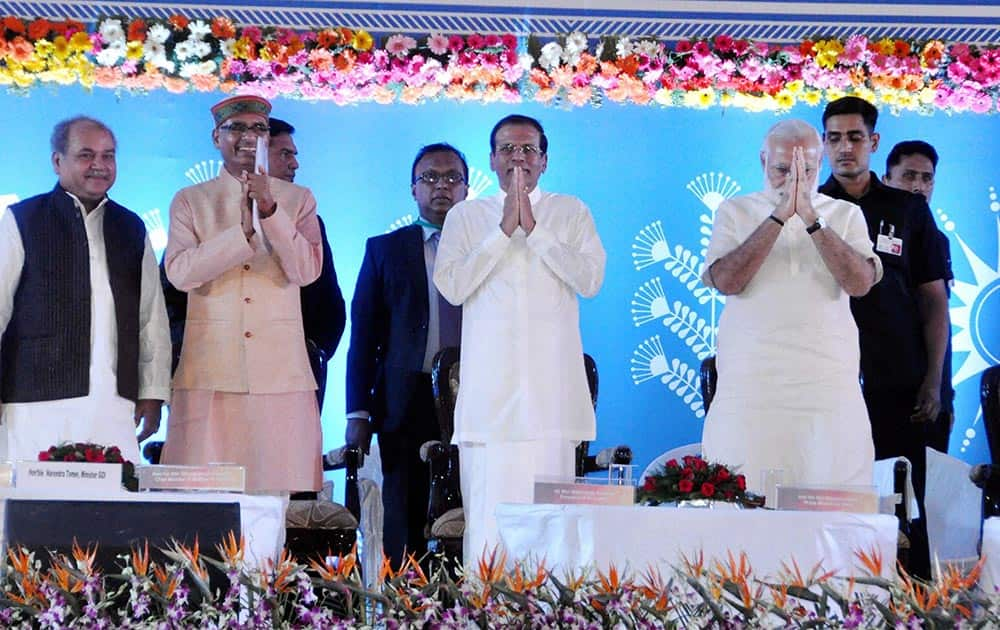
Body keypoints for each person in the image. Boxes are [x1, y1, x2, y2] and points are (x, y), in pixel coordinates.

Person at [433, 115, 606, 563]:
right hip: (490, 407)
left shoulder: (571, 211)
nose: (518, 158)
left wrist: (536, 231)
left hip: (552, 401)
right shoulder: (466, 216)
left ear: (545, 160)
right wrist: (502, 232)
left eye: (528, 149)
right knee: (489, 536)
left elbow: (590, 280)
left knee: (551, 535)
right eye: (507, 149)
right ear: (491, 159)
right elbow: (452, 286)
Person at [701, 119, 881, 494]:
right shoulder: (735, 211)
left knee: (833, 504)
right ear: (762, 160)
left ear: (822, 165)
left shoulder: (845, 215)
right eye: (782, 169)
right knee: (743, 505)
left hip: (827, 387)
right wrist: (779, 216)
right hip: (752, 386)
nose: (794, 179)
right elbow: (728, 281)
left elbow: (859, 283)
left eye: (807, 170)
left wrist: (813, 219)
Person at [161, 95, 324, 494]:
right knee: (202, 504)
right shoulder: (190, 200)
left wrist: (269, 209)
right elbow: (180, 273)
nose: (249, 137)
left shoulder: (298, 200)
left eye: (259, 129)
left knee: (270, 502)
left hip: (278, 374)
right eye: (237, 128)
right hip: (210, 369)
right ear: (217, 137)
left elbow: (305, 270)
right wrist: (241, 238)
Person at [818, 97, 950, 579]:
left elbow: (934, 301)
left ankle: (913, 606)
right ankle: (834, 597)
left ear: (873, 143)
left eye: (854, 137)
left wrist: (933, 381)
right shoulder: (812, 206)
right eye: (834, 138)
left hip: (900, 380)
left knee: (906, 504)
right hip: (829, 380)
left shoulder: (908, 210)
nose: (844, 148)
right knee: (831, 496)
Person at [0, 116, 171, 464]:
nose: (99, 165)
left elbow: (150, 317)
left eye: (108, 156)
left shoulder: (130, 226)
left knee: (111, 510)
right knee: (32, 508)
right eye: (86, 155)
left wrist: (152, 393)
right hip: (33, 399)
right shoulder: (22, 219)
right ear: (57, 161)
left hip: (113, 402)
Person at [161, 118, 346, 415]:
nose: (295, 164)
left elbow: (325, 297)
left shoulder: (302, 207)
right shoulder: (192, 202)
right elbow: (174, 288)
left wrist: (311, 349)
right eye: (285, 154)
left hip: (285, 373)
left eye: (295, 155)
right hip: (209, 369)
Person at [344, 143, 469, 565]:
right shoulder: (385, 250)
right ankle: (405, 606)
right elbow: (364, 336)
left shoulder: (487, 248)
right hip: (406, 399)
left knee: (471, 504)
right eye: (430, 178)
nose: (441, 187)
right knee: (405, 509)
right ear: (412, 190)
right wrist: (357, 413)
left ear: (468, 188)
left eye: (452, 178)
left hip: (476, 397)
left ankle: (465, 603)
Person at [883, 140, 954, 453]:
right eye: (909, 176)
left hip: (930, 390)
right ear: (886, 181)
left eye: (927, 179)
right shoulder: (865, 229)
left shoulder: (938, 241)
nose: (918, 186)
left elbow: (937, 315)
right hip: (880, 384)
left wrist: (940, 388)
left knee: (925, 493)